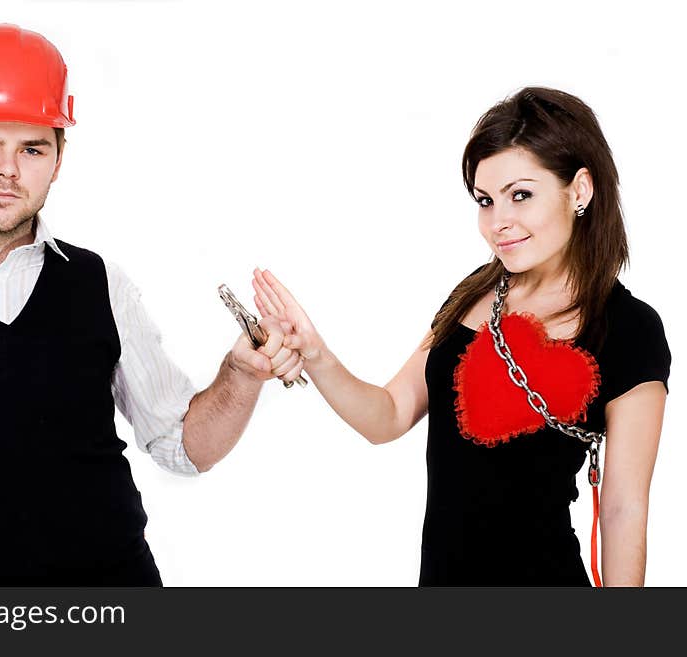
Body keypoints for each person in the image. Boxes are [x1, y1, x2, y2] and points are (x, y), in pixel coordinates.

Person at [0, 24, 300, 587]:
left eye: (32, 148)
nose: (8, 171)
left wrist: (239, 376)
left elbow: (187, 448)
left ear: (58, 158)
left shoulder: (101, 286)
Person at [252, 87, 671, 586]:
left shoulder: (630, 328)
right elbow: (387, 415)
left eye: (521, 195)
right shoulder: (475, 292)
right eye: (485, 201)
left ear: (579, 190)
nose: (499, 223)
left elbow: (624, 510)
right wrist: (316, 354)